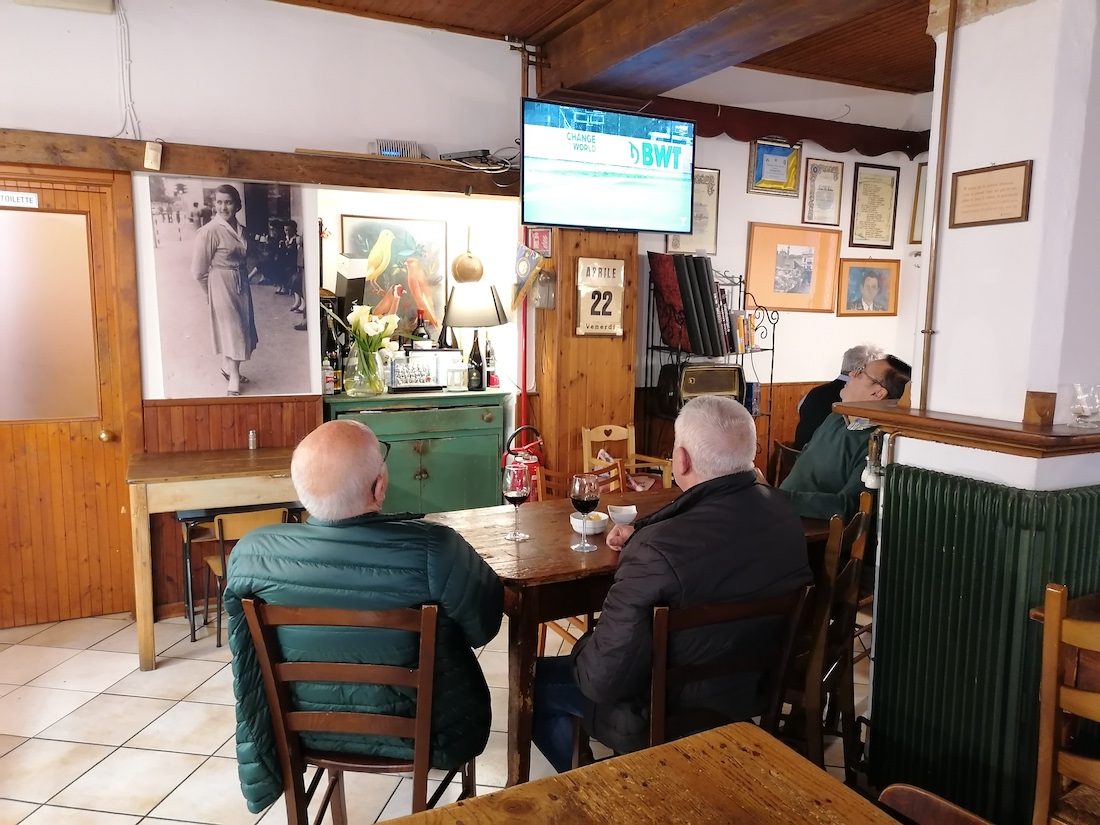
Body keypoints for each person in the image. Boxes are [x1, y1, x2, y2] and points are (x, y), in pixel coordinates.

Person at [224, 419, 503, 814]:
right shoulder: (436, 549)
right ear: (380, 486)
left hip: (302, 732)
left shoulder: (252, 554)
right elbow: (484, 626)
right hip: (432, 735)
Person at [531, 396, 811, 773]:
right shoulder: (785, 513)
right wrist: (645, 535)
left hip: (665, 707)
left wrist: (584, 647)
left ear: (681, 460)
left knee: (532, 687)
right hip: (750, 691)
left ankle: (598, 791)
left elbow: (602, 680)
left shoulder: (656, 552)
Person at [779, 355, 911, 521]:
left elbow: (849, 506)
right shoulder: (835, 418)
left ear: (877, 393)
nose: (852, 374)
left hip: (809, 532)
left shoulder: (875, 442)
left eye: (861, 372)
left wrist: (779, 499)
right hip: (780, 514)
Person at [191, 184, 258, 396]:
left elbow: (249, 257)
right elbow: (197, 271)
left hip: (241, 283)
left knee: (240, 329)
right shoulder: (209, 231)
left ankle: (226, 368)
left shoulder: (242, 230)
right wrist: (208, 293)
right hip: (220, 282)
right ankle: (235, 377)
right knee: (233, 330)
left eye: (228, 202)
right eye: (219, 202)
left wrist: (247, 276)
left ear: (237, 205)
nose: (223, 207)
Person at [793, 343, 885, 449]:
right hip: (825, 459)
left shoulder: (814, 392)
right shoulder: (857, 399)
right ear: (861, 370)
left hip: (797, 455)